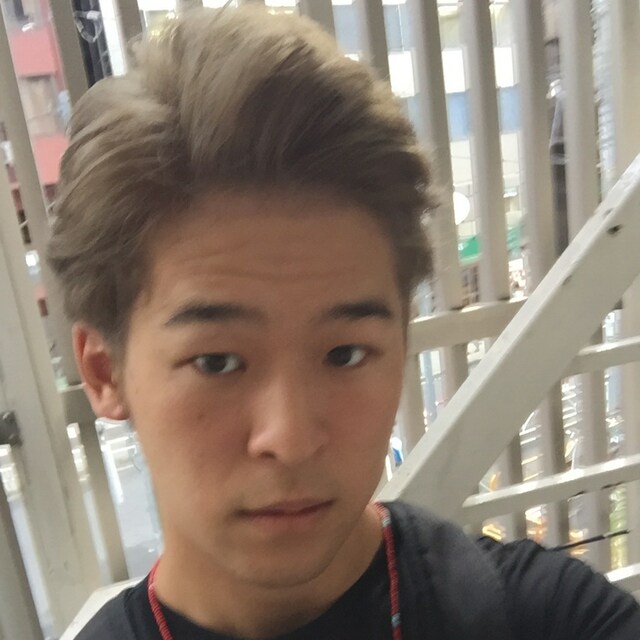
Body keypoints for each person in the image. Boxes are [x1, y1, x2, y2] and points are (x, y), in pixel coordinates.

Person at [47, 6, 640, 640]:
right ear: (105, 372)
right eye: (217, 361)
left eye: (346, 353)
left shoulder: (542, 617)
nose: (292, 437)